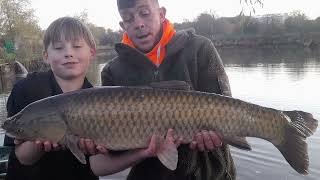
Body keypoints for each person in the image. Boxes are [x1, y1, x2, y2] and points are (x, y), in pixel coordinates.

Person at [3, 16, 181, 180]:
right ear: (46, 56)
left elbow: (97, 166)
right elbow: (23, 157)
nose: (68, 53)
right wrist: (41, 141)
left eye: (77, 46)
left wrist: (143, 153)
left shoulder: (98, 97)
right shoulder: (27, 88)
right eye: (58, 48)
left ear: (92, 52)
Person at [101, 0, 236, 179]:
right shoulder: (112, 72)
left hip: (210, 174)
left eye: (145, 13)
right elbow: (116, 149)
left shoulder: (200, 49)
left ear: (161, 14)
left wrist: (217, 136)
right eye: (128, 18)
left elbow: (226, 110)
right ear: (122, 25)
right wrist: (99, 143)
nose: (138, 24)